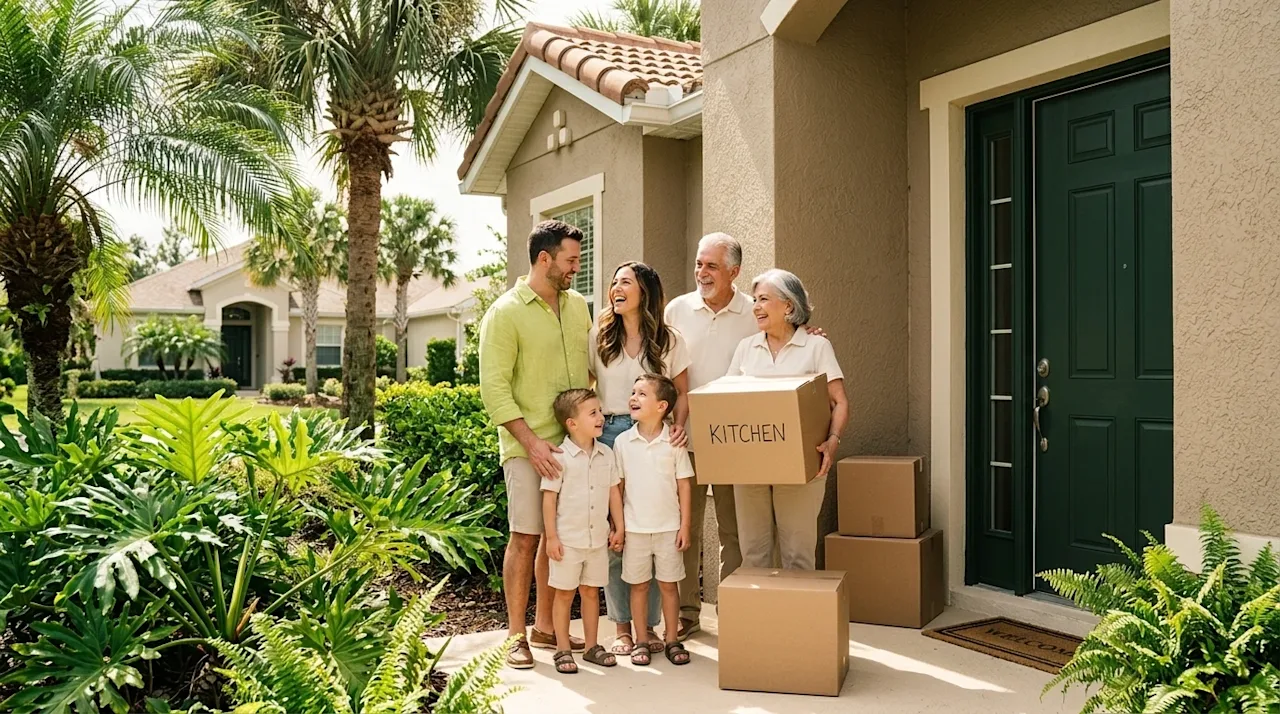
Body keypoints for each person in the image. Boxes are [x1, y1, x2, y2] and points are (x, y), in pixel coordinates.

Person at [479, 220, 593, 669]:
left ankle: (547, 627)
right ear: (543, 259)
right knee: (526, 538)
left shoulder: (578, 305)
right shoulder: (505, 312)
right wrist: (531, 443)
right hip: (529, 447)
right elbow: (493, 388)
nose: (576, 269)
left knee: (557, 540)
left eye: (577, 260)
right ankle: (515, 635)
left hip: (573, 447)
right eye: (570, 260)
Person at [589, 261, 691, 656]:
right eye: (613, 282)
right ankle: (622, 629)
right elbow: (587, 386)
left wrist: (678, 429)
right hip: (612, 435)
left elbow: (681, 391)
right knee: (620, 534)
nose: (616, 288)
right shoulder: (599, 336)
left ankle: (648, 631)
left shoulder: (669, 340)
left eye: (625, 282)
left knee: (653, 532)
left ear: (644, 291)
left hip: (656, 436)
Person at [725, 268, 849, 571]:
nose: (756, 306)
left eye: (764, 299)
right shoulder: (746, 348)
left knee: (798, 554)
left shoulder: (817, 346)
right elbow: (726, 400)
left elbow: (840, 401)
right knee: (753, 553)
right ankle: (760, 618)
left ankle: (798, 618)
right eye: (755, 299)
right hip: (750, 465)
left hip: (802, 463)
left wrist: (833, 442)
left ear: (789, 306)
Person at [541, 388, 626, 674]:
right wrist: (551, 537)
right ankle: (563, 648)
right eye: (593, 413)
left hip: (597, 541)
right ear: (572, 423)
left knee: (591, 592)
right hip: (568, 541)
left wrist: (619, 527)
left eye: (600, 411)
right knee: (564, 594)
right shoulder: (560, 457)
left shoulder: (606, 454)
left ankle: (591, 647)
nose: (601, 417)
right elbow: (549, 499)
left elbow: (614, 493)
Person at [614, 373, 694, 666]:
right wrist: (618, 526)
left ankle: (672, 638)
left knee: (669, 585)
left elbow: (684, 484)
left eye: (642, 394)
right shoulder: (622, 442)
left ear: (662, 406)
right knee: (638, 586)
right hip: (635, 529)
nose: (633, 398)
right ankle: (641, 640)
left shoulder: (673, 441)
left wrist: (685, 525)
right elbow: (618, 487)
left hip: (668, 529)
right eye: (633, 392)